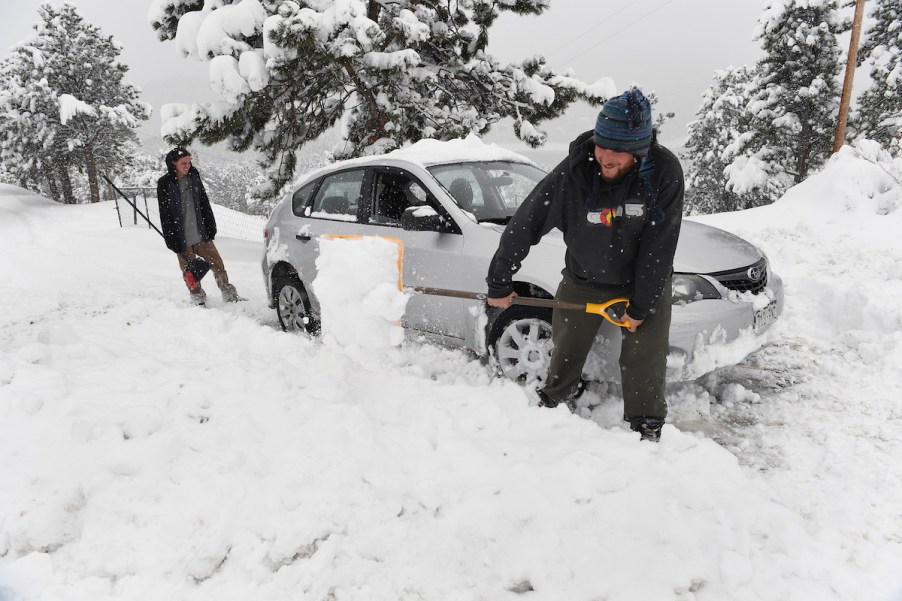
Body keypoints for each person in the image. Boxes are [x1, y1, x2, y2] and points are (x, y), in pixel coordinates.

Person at [486, 88, 684, 442]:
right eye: (602, 145)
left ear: (639, 151)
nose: (606, 157)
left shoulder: (663, 173)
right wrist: (500, 280)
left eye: (618, 151)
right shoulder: (574, 173)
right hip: (583, 278)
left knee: (646, 357)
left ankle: (647, 423)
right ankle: (555, 400)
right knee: (566, 348)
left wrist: (640, 307)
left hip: (642, 280)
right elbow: (527, 222)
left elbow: (660, 246)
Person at [157, 147, 242, 305]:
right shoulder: (165, 184)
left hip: (200, 232)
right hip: (181, 237)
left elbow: (204, 202)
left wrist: (210, 225)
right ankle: (198, 299)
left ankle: (229, 295)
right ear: (173, 163)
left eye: (189, 162)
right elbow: (165, 214)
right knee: (189, 272)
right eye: (183, 163)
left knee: (218, 264)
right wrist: (171, 238)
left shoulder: (194, 177)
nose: (187, 166)